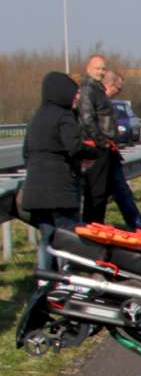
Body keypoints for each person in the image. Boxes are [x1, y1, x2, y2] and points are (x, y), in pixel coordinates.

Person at [23, 72, 98, 273]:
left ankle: (44, 278)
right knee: (68, 237)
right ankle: (67, 280)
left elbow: (26, 152)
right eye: (74, 94)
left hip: (35, 189)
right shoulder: (64, 116)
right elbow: (74, 147)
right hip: (60, 189)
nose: (77, 98)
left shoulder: (36, 117)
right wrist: (94, 151)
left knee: (47, 236)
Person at [101, 72, 141, 234]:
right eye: (119, 89)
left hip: (109, 152)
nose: (119, 92)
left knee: (121, 192)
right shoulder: (99, 103)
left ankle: (140, 227)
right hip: (104, 153)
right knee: (120, 193)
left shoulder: (103, 102)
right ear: (110, 85)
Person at [76, 54, 116, 225]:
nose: (101, 72)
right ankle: (92, 228)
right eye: (97, 68)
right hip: (95, 147)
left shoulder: (98, 88)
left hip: (104, 147)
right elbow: (87, 119)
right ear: (88, 69)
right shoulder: (87, 90)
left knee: (102, 192)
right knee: (96, 193)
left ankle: (96, 226)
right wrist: (101, 142)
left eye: (103, 68)